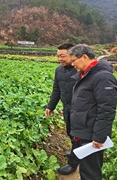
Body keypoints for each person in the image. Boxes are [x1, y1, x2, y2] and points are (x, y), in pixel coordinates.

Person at [67, 44, 117, 179]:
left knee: (91, 173)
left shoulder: (103, 77)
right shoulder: (85, 75)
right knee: (85, 170)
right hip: (83, 131)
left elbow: (107, 109)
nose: (72, 64)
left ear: (84, 57)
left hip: (92, 135)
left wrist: (99, 136)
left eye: (73, 61)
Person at [45, 43, 79, 175]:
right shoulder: (59, 70)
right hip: (67, 108)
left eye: (62, 56)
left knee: (77, 135)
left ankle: (73, 164)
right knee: (70, 132)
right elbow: (56, 90)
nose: (60, 59)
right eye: (58, 56)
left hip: (79, 110)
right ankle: (75, 152)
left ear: (72, 55)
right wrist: (50, 106)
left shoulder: (79, 69)